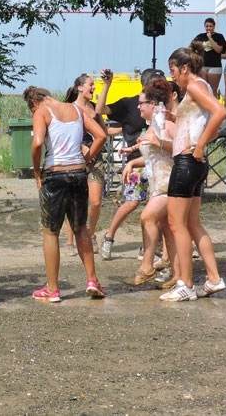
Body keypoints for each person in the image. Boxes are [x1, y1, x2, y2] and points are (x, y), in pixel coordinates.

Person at [25, 86, 107, 302]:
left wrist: (36, 171)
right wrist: (87, 158)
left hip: (55, 174)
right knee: (81, 228)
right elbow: (100, 135)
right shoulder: (77, 110)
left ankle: (53, 289)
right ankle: (92, 280)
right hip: (79, 174)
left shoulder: (41, 112)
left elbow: (38, 142)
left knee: (51, 232)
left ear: (34, 102)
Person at [160, 44, 226, 301]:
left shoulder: (195, 86)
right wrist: (177, 117)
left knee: (176, 223)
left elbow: (220, 112)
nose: (172, 75)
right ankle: (213, 278)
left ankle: (186, 284)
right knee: (192, 223)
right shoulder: (203, 86)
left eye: (173, 70)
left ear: (185, 68)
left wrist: (199, 144)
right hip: (196, 162)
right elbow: (204, 120)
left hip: (187, 162)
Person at [95, 68, 166, 259]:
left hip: (158, 162)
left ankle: (152, 248)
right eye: (156, 83)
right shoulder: (131, 104)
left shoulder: (163, 106)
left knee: (158, 207)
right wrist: (107, 85)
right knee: (132, 202)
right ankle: (109, 237)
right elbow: (100, 110)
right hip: (135, 162)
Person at [122, 79, 178, 287]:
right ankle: (177, 274)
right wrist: (131, 162)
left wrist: (159, 142)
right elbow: (152, 156)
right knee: (167, 228)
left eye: (141, 103)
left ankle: (147, 267)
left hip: (169, 182)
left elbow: (182, 148)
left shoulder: (166, 123)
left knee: (147, 217)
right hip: (157, 184)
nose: (138, 107)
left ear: (153, 104)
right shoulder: (153, 126)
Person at [62, 72, 108, 256]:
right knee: (73, 201)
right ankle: (69, 240)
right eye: (91, 84)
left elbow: (104, 131)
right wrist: (80, 147)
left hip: (96, 159)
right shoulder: (69, 109)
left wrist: (129, 127)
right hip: (75, 158)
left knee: (96, 202)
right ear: (80, 87)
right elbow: (63, 133)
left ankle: (89, 234)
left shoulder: (95, 109)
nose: (93, 87)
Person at [193, 17, 226, 98]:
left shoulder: (219, 36)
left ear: (214, 27)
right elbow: (192, 47)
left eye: (210, 26)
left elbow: (219, 50)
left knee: (213, 89)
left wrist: (210, 38)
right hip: (203, 65)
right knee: (203, 88)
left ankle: (214, 108)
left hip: (215, 65)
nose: (208, 28)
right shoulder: (200, 36)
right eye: (207, 26)